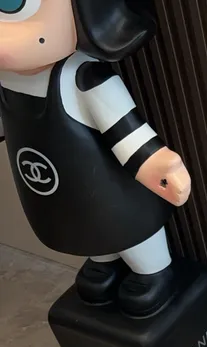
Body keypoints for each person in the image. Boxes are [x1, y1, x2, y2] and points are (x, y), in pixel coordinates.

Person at [0, 0, 191, 317]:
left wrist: (157, 163)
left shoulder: (84, 77)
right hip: (57, 190)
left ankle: (153, 270)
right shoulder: (6, 80)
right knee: (81, 226)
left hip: (111, 188)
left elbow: (125, 129)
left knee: (128, 228)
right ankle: (104, 260)